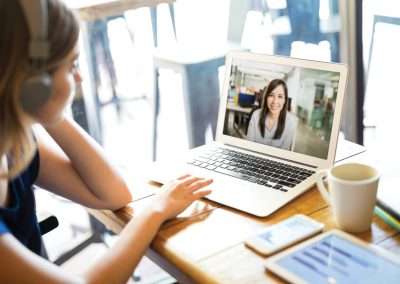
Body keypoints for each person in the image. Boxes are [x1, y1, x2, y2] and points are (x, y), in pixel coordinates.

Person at [0, 0, 213, 283]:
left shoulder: (16, 146)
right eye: (72, 65)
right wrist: (156, 210)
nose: (80, 77)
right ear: (35, 81)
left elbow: (111, 193)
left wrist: (45, 107)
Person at [246, 79, 298, 150]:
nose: (275, 101)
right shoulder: (256, 115)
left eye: (280, 96)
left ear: (285, 100)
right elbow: (249, 146)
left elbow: (284, 154)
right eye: (271, 95)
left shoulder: (291, 122)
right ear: (266, 97)